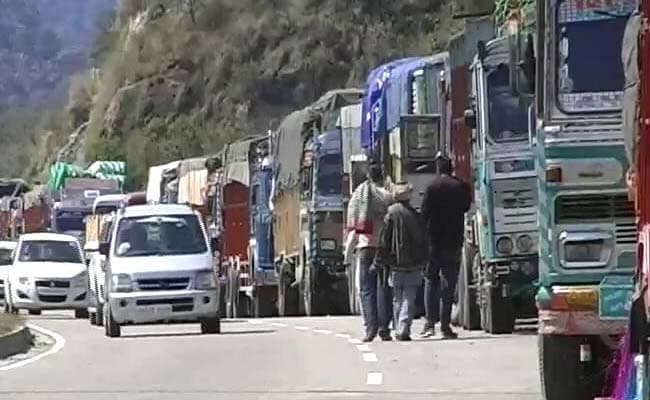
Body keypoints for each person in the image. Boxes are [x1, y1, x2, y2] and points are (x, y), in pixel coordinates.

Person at [420, 153, 472, 339]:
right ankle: (445, 326)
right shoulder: (460, 187)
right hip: (453, 242)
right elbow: (466, 207)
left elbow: (424, 214)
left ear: (438, 168)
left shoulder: (431, 188)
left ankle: (429, 323)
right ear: (452, 168)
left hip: (433, 243)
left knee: (431, 280)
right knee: (448, 285)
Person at [344, 163, 394, 342]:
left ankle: (370, 328)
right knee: (384, 289)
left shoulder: (359, 196)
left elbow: (353, 232)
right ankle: (384, 328)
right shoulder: (388, 197)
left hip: (365, 249)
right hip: (383, 249)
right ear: (382, 177)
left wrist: (347, 255)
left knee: (366, 290)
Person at [374, 182, 428, 341]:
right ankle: (403, 327)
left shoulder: (390, 214)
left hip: (395, 264)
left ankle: (399, 326)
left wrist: (380, 259)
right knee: (409, 297)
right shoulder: (414, 215)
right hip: (413, 264)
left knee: (397, 298)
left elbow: (384, 240)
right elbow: (422, 240)